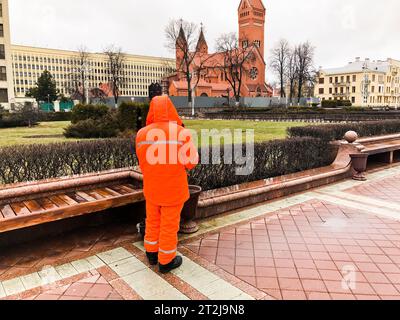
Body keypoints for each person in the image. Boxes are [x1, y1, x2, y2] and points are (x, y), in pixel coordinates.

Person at [136, 95, 199, 274]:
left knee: (153, 221)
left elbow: (142, 162)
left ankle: (151, 253)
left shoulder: (142, 134)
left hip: (152, 188)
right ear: (171, 110)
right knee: (169, 225)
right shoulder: (180, 133)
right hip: (173, 189)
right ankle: (166, 260)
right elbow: (191, 161)